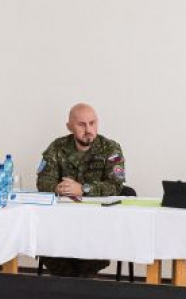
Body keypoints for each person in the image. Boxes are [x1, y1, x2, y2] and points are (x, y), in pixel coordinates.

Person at [36, 103, 126, 277]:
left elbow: (116, 186)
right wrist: (58, 187)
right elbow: (43, 181)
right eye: (81, 125)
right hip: (62, 224)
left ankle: (77, 287)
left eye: (92, 123)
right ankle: (70, 287)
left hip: (97, 225)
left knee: (86, 262)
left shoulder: (110, 148)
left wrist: (83, 189)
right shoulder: (57, 147)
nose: (88, 130)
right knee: (50, 247)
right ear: (69, 126)